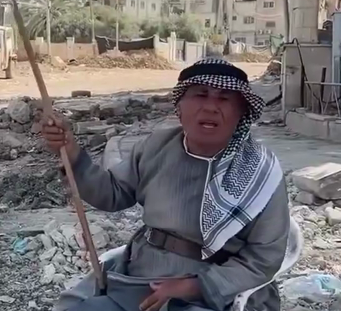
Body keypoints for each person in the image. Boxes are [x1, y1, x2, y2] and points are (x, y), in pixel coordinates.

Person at [41, 59, 290, 311]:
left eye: (224, 99)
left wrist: (194, 287)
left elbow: (263, 259)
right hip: (143, 276)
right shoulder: (157, 147)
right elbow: (112, 194)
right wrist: (71, 152)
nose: (211, 107)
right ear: (179, 108)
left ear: (241, 113)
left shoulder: (260, 172)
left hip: (219, 291)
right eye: (200, 95)